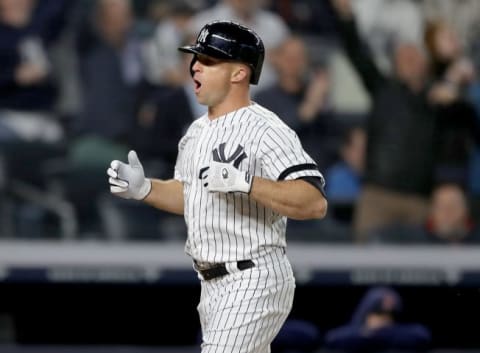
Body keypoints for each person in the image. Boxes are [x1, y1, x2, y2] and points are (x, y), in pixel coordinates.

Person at [107, 21, 328, 352]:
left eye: (208, 61)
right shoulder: (196, 132)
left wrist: (247, 183)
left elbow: (313, 202)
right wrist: (146, 189)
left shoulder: (266, 128)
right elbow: (192, 197)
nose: (195, 65)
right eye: (196, 58)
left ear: (238, 73)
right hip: (211, 285)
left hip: (253, 276)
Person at [325, 286, 431, 352]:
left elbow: (422, 336)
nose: (383, 320)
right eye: (378, 315)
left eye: (388, 316)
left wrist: (383, 332)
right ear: (367, 315)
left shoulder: (400, 334)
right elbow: (332, 338)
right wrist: (368, 333)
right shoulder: (353, 333)